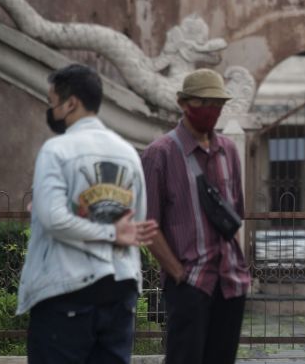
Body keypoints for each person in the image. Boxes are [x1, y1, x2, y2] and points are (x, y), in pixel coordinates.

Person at [17, 64, 158, 364]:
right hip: (120, 288)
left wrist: (107, 231)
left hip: (67, 290)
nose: (50, 109)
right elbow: (134, 222)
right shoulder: (128, 152)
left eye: (51, 102)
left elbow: (55, 219)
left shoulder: (56, 150)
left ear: (71, 103)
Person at [141, 68, 250, 363]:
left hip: (230, 282)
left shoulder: (228, 150)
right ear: (183, 103)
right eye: (203, 103)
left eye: (217, 104)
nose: (211, 111)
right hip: (190, 282)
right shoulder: (159, 154)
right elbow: (149, 226)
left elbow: (236, 211)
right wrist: (178, 273)